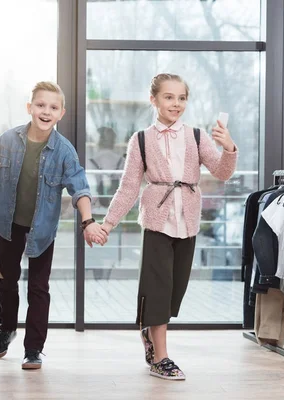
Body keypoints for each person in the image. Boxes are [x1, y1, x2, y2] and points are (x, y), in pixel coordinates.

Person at [0, 81, 107, 370]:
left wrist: (88, 221)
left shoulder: (64, 151)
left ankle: (34, 348)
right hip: (10, 225)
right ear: (30, 108)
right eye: (40, 105)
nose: (46, 111)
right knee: (7, 281)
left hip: (43, 230)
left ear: (61, 113)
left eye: (53, 107)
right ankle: (6, 329)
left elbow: (80, 188)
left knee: (38, 288)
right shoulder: (8, 140)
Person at [100, 73, 238, 380]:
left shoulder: (197, 136)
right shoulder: (140, 140)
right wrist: (109, 223)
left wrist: (228, 148)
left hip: (187, 221)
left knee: (175, 291)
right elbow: (128, 187)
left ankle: (149, 333)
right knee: (159, 289)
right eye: (168, 97)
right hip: (156, 220)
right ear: (154, 100)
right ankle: (160, 357)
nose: (176, 104)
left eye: (181, 98)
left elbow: (221, 172)